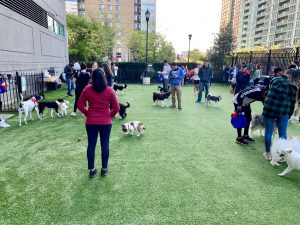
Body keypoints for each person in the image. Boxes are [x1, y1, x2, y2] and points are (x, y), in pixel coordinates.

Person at [77, 69, 120, 178]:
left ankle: (92, 170)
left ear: (92, 77)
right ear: (104, 77)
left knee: (91, 145)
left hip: (91, 121)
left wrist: (88, 114)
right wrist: (109, 116)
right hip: (106, 122)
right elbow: (116, 108)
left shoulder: (87, 89)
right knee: (105, 144)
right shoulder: (110, 90)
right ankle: (104, 169)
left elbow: (80, 106)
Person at [262, 69, 298, 160]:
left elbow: (268, 93)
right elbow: (292, 102)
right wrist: (289, 115)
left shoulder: (274, 80)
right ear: (294, 76)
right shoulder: (293, 87)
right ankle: (282, 155)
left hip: (269, 109)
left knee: (269, 131)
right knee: (283, 133)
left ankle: (268, 154)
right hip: (283, 111)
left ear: (285, 73)